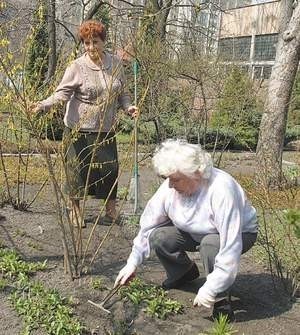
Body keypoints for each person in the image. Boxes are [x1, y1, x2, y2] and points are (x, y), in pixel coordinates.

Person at [114, 139, 258, 320]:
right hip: (194, 232)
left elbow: (230, 246)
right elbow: (148, 225)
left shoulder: (221, 189)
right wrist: (132, 263)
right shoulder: (171, 187)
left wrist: (211, 287)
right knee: (159, 236)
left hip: (238, 234)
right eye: (168, 179)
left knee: (211, 243)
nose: (170, 185)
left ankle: (221, 300)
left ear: (196, 173)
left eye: (175, 180)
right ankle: (183, 272)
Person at [32, 20, 137, 227]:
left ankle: (110, 211)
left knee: (110, 170)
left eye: (95, 42)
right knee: (77, 171)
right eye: (86, 43)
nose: (91, 47)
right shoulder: (77, 67)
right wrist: (42, 105)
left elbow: (122, 93)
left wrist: (128, 107)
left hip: (106, 129)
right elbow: (62, 94)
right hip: (78, 129)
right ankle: (76, 211)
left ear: (103, 41)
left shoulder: (115, 64)